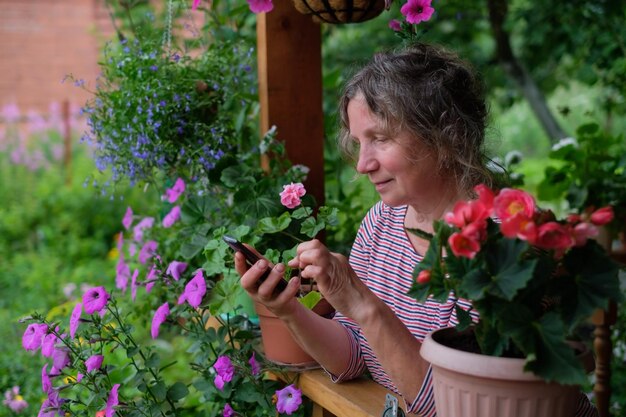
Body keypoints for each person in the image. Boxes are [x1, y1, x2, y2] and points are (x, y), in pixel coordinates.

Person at [236, 43, 597, 417]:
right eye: (359, 142)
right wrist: (289, 310)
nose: (362, 164)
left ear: (444, 135)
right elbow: (354, 357)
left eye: (380, 138)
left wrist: (358, 298)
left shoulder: (503, 243)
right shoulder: (381, 222)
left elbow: (450, 407)